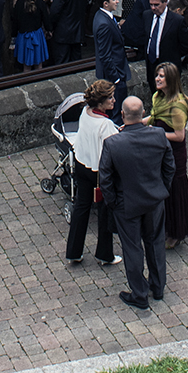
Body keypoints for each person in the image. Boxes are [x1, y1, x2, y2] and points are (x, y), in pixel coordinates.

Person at [101, 95, 176, 309]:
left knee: (132, 248)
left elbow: (105, 179)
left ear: (122, 115)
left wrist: (114, 202)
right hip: (154, 201)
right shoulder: (159, 135)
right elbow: (170, 167)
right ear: (143, 113)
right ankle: (158, 287)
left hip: (127, 205)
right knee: (155, 243)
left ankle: (140, 294)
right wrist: (161, 189)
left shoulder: (112, 143)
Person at [65, 78, 119, 265]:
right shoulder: (106, 125)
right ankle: (104, 254)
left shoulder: (85, 112)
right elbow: (115, 150)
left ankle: (74, 251)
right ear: (101, 101)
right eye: (110, 98)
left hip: (81, 164)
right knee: (104, 211)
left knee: (82, 206)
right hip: (99, 173)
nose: (114, 100)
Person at [150, 62, 188, 250]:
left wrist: (155, 134)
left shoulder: (177, 106)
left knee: (174, 191)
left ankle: (177, 232)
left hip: (174, 154)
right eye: (157, 75)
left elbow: (179, 135)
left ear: (171, 80)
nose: (157, 79)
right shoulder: (157, 98)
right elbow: (152, 118)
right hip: (160, 152)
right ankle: (166, 227)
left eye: (162, 76)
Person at [139, 0, 188, 91]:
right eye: (151, 4)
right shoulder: (147, 15)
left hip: (169, 66)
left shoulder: (177, 20)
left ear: (165, 2)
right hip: (152, 65)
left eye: (156, 5)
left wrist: (173, 55)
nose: (153, 8)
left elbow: (187, 45)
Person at [92, 0, 130, 103]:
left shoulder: (102, 16)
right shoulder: (104, 24)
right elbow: (105, 55)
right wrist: (116, 78)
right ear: (105, 3)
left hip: (116, 73)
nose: (117, 1)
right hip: (113, 76)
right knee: (116, 110)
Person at [49, 0, 89, 64]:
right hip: (78, 31)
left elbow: (55, 11)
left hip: (63, 33)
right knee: (76, 62)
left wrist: (50, 27)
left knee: (62, 63)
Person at [10, 0, 51, 72]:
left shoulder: (19, 4)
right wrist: (49, 30)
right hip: (37, 36)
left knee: (26, 67)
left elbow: (15, 22)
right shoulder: (40, 3)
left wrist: (13, 37)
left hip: (23, 37)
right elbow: (46, 19)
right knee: (39, 65)